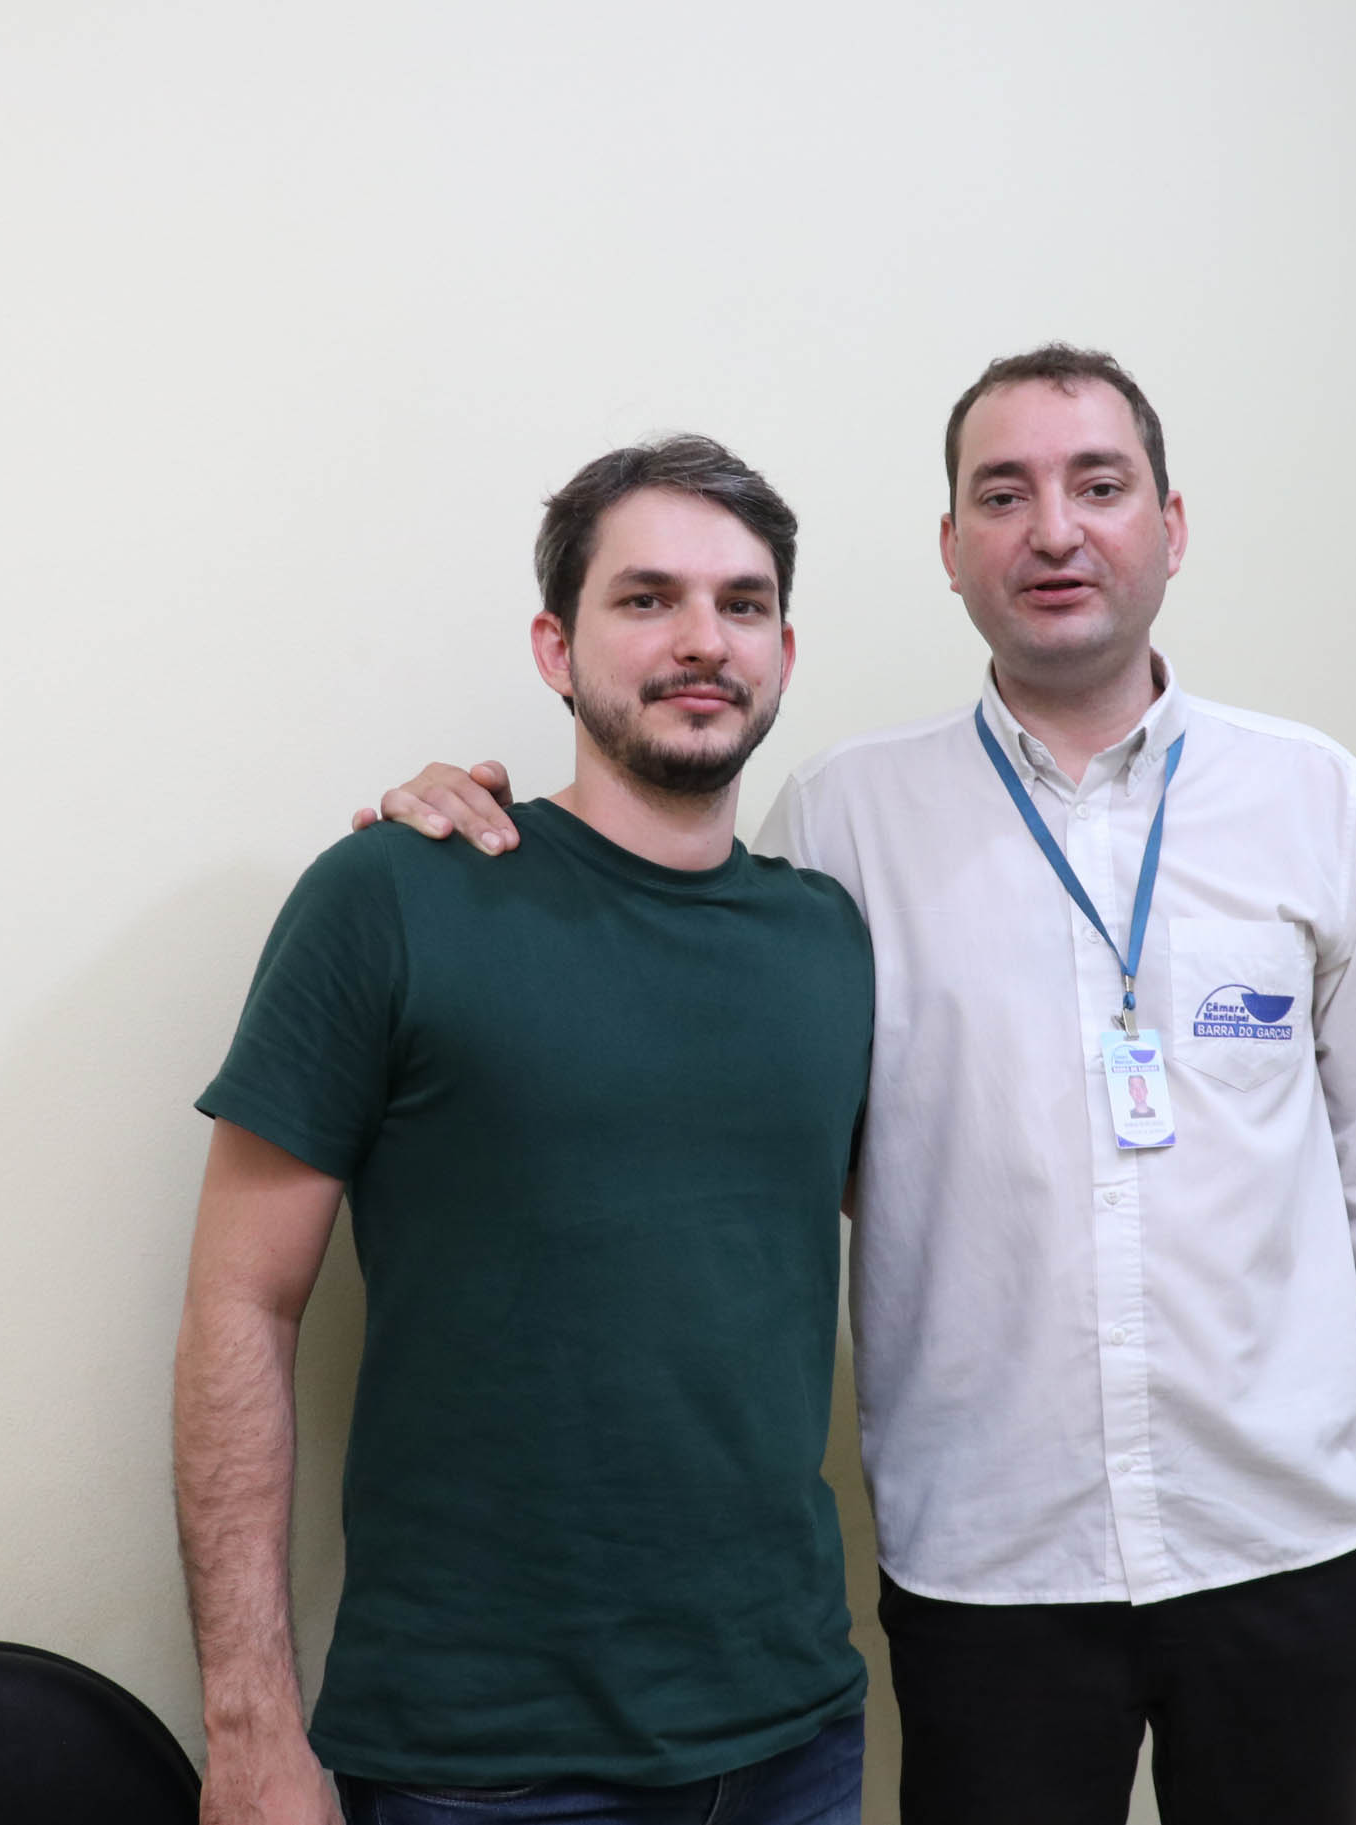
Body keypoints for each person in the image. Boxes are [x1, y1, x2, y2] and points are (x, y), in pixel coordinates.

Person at [365, 345, 1356, 1825]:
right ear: (950, 549)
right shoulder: (840, 816)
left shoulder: (1307, 792)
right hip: (991, 1568)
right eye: (1001, 495)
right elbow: (702, 1021)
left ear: (1170, 526)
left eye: (1098, 485)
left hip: (1286, 1542)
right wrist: (456, 825)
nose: (1054, 530)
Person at [175, 435, 872, 1825]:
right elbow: (239, 1304)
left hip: (792, 1737)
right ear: (556, 647)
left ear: (783, 654)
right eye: (646, 598)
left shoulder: (830, 941)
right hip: (483, 1760)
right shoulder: (394, 894)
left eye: (741, 604)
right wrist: (250, 1725)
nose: (701, 639)